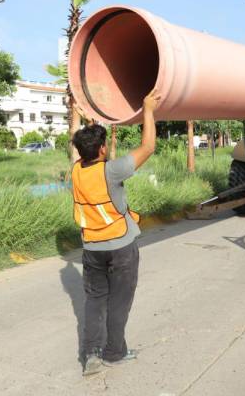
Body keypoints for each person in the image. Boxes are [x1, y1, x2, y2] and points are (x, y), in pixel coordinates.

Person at [71, 90, 161, 376]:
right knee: (119, 301)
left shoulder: (75, 171)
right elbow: (147, 147)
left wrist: (87, 122)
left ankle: (91, 355)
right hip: (120, 248)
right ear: (101, 150)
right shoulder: (112, 170)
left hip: (91, 248)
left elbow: (80, 148)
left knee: (94, 300)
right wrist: (147, 109)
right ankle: (114, 352)